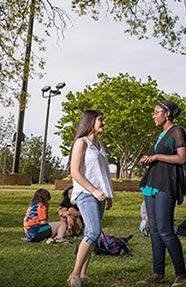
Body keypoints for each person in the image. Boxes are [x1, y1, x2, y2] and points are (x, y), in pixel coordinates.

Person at [138, 100, 186, 286]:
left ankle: (181, 274)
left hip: (166, 185)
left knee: (166, 230)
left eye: (156, 112)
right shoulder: (160, 135)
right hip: (151, 185)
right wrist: (148, 158)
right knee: (154, 229)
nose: (153, 115)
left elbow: (182, 158)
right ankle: (158, 273)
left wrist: (156, 156)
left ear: (167, 114)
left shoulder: (177, 131)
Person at [66, 109, 114, 287]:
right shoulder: (81, 142)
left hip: (99, 195)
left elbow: (103, 174)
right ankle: (74, 274)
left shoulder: (100, 145)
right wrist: (94, 190)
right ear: (90, 121)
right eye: (100, 119)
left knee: (92, 234)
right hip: (86, 194)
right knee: (93, 232)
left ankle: (84, 273)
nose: (103, 123)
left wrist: (108, 195)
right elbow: (75, 172)